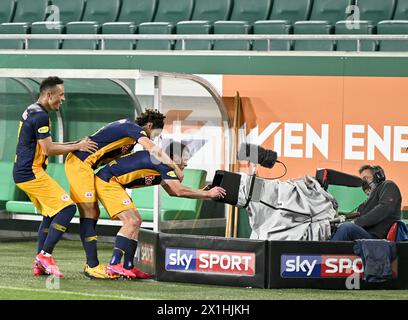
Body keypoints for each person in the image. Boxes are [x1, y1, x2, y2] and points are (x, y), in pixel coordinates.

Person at [64, 109, 185, 279]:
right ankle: (92, 265)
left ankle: (125, 265)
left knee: (102, 214)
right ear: (150, 125)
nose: (154, 138)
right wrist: (174, 166)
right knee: (90, 213)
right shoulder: (133, 128)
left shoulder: (126, 133)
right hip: (80, 165)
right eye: (156, 133)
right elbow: (152, 148)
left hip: (86, 166)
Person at [95, 142, 226, 279]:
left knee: (136, 221)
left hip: (113, 182)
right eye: (184, 159)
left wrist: (202, 193)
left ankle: (129, 266)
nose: (186, 164)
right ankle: (114, 264)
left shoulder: (160, 163)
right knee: (132, 221)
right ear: (173, 157)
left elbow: (172, 191)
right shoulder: (163, 163)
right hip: (107, 181)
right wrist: (208, 194)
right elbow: (178, 190)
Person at [13, 76, 98, 278]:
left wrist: (77, 142)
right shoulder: (40, 115)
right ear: (49, 95)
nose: (63, 98)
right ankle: (45, 255)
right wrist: (78, 146)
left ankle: (39, 263)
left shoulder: (33, 109)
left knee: (50, 214)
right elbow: (49, 149)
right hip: (30, 173)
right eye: (61, 94)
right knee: (67, 208)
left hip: (26, 172)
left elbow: (46, 144)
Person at [331, 165, 402, 241]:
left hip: (377, 237)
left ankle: (327, 252)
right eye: (362, 180)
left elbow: (384, 208)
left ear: (378, 176)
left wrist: (356, 222)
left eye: (366, 178)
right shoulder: (369, 199)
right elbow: (359, 214)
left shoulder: (388, 185)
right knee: (334, 229)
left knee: (346, 228)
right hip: (366, 233)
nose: (364, 182)